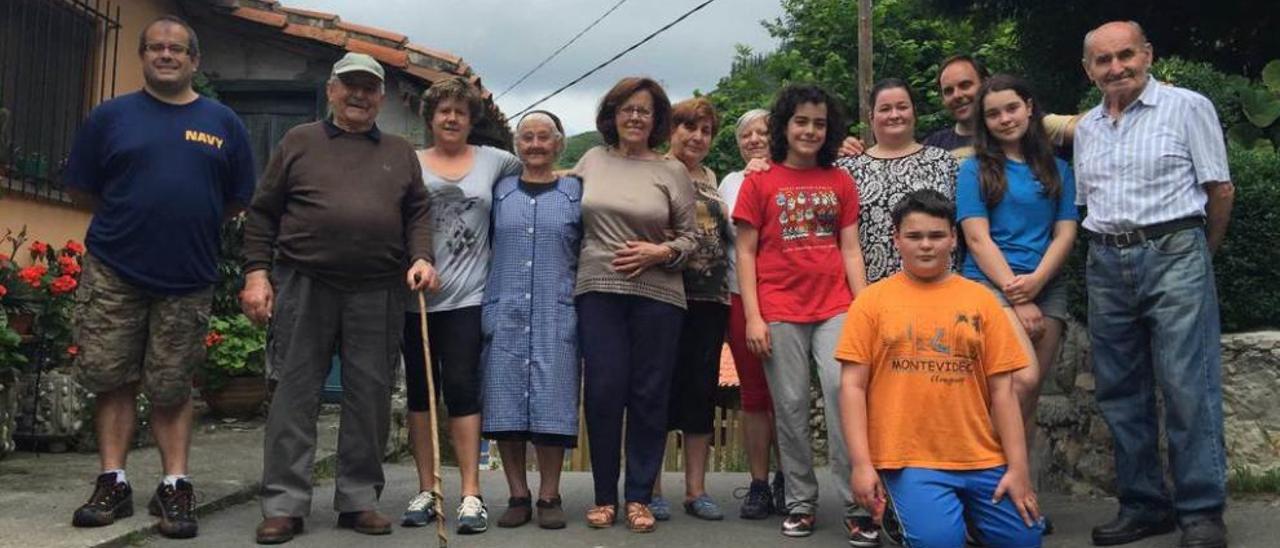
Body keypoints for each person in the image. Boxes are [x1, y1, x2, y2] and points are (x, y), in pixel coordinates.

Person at [63, 15, 256, 540]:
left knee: (172, 386)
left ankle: (175, 485)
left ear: (194, 60)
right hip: (114, 271)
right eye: (155, 48)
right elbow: (83, 191)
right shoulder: (110, 118)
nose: (165, 55)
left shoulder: (223, 122)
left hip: (187, 274)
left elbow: (237, 198)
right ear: (143, 57)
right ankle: (113, 481)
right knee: (113, 377)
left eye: (176, 49)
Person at [240, 52, 437, 545]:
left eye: (369, 88)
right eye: (349, 85)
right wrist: (257, 275)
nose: (359, 95)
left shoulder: (399, 150)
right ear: (330, 90)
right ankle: (285, 505)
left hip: (377, 288)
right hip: (305, 282)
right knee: (294, 392)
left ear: (380, 97)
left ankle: (358, 500)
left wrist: (421, 257)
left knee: (369, 396)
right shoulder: (299, 141)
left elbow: (418, 213)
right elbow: (263, 214)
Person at [1075, 21, 1234, 548]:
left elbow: (1220, 189)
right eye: (1104, 60)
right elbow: (1086, 205)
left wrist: (1197, 255)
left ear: (1148, 54)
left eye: (1126, 55)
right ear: (1089, 69)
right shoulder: (1090, 127)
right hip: (1105, 260)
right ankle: (1144, 505)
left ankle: (1202, 512)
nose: (1117, 67)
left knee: (1189, 385)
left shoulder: (1187, 106)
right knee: (1121, 392)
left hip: (1175, 252)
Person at [836, 189, 1043, 548]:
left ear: (953, 239)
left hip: (982, 456)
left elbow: (1003, 391)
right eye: (914, 236)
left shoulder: (981, 301)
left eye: (936, 236)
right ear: (896, 240)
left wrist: (1018, 469)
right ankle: (903, 519)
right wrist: (861, 464)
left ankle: (967, 517)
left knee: (1024, 540)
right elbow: (852, 387)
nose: (926, 245)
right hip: (909, 460)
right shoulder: (871, 302)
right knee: (938, 541)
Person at [733, 83, 867, 541]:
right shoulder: (759, 181)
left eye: (820, 123)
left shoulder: (840, 180)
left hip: (836, 305)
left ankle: (857, 502)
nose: (810, 130)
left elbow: (850, 249)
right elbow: (745, 254)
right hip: (779, 308)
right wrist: (753, 316)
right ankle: (801, 502)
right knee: (788, 406)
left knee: (842, 394)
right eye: (801, 121)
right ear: (784, 126)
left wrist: (864, 306)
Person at [399, 76, 523, 535]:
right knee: (419, 393)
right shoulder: (409, 163)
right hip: (417, 299)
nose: (451, 118)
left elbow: (538, 171)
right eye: (443, 111)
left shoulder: (497, 162)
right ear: (430, 118)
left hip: (470, 297)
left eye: (461, 112)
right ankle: (428, 488)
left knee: (463, 390)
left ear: (473, 120)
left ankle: (471, 493)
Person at [573, 76, 697, 533]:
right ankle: (605, 496)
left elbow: (693, 237)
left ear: (656, 119)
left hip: (659, 296)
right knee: (604, 392)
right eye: (627, 108)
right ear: (612, 115)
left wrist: (659, 252)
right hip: (597, 291)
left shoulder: (671, 171)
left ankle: (640, 497)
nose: (635, 117)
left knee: (648, 395)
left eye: (644, 110)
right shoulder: (590, 160)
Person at [957, 74, 1077, 503]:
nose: (1004, 119)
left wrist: (1039, 282)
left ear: (1029, 107)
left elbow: (1064, 233)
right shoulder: (973, 169)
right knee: (1017, 384)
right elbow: (976, 237)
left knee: (1027, 401)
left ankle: (1020, 498)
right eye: (993, 114)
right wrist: (1016, 293)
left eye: (1011, 108)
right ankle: (981, 487)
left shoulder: (1059, 169)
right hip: (990, 287)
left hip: (1048, 286)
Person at [481, 110, 582, 530]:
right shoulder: (499, 192)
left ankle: (549, 494)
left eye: (545, 137)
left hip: (556, 311)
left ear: (558, 144)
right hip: (505, 309)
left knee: (553, 401)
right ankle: (518, 494)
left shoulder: (575, 192)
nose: (536, 145)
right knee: (504, 401)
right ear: (516, 145)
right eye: (527, 138)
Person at [649, 97, 730, 522]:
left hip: (712, 301)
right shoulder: (655, 169)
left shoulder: (711, 176)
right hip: (666, 296)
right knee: (659, 389)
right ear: (671, 130)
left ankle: (696, 491)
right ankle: (652, 487)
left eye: (705, 130)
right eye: (688, 128)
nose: (696, 137)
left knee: (701, 391)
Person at [718, 108, 786, 519]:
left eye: (763, 132)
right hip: (739, 295)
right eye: (748, 134)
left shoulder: (791, 173)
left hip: (783, 295)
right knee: (754, 393)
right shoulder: (729, 182)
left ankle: (789, 479)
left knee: (788, 393)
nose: (756, 139)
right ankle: (759, 482)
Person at [836, 78, 959, 285]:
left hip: (939, 289)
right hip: (874, 293)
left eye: (902, 107)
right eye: (885, 109)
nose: (894, 115)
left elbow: (962, 229)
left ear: (914, 113)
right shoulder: (848, 169)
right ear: (871, 116)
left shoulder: (944, 162)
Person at [924, 55, 1076, 159]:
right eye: (948, 91)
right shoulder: (934, 147)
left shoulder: (1031, 125)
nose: (957, 95)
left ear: (986, 83)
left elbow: (1089, 126)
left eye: (965, 85)